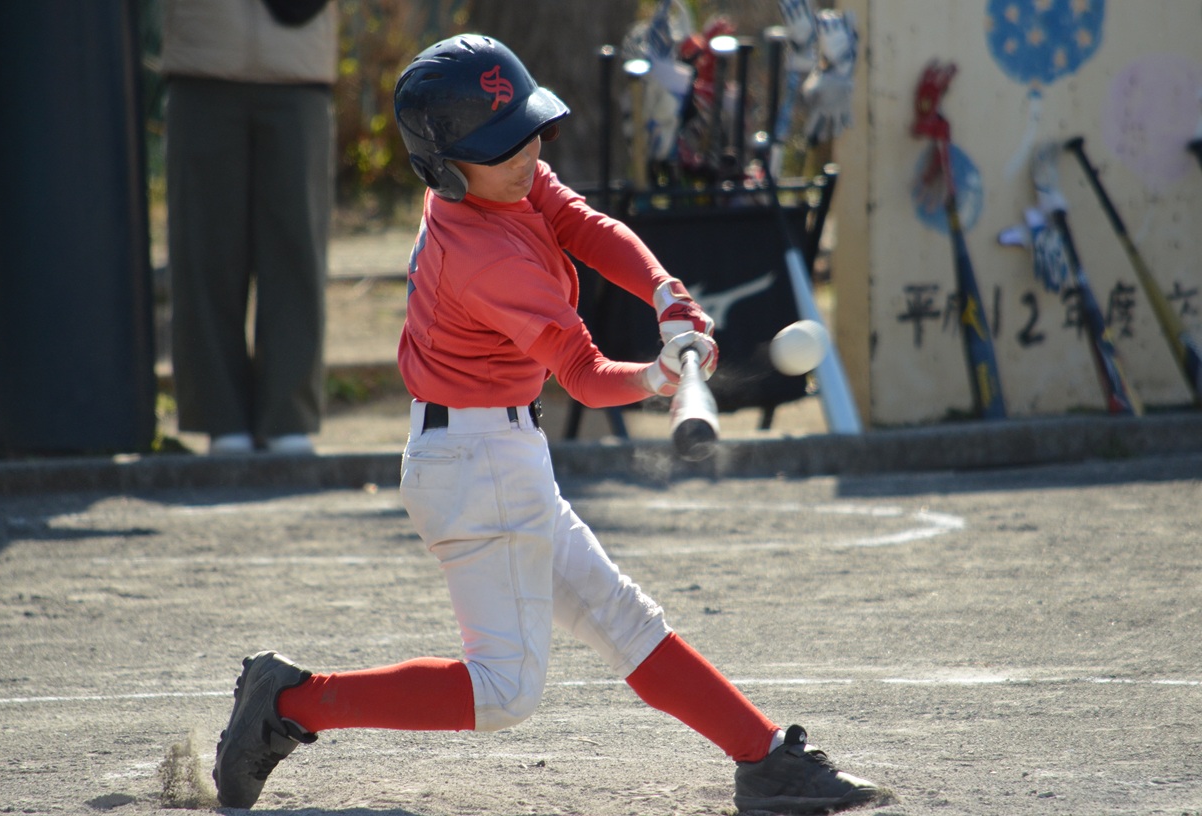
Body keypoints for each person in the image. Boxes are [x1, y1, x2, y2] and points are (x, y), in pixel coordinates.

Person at [210, 34, 893, 814]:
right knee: (504, 692)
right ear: (445, 166)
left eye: (529, 130)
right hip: (473, 466)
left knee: (623, 621)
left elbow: (586, 227)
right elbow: (581, 373)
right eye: (503, 146)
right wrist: (656, 377)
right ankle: (290, 705)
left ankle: (766, 759)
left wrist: (667, 295)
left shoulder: (501, 183)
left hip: (500, 451)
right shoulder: (482, 255)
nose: (528, 153)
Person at [161, 0, 337, 455]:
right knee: (205, 253)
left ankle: (289, 415)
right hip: (203, 63)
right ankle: (220, 418)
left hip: (299, 66)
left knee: (297, 253)